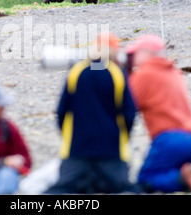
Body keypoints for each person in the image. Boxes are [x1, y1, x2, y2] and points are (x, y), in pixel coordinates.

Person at [44, 32, 137, 194]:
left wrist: (67, 137)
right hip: (111, 150)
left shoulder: (77, 71)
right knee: (123, 189)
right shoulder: (117, 73)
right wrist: (124, 137)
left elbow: (62, 111)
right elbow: (129, 113)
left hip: (78, 149)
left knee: (61, 189)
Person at [126, 34, 191, 194]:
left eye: (134, 54)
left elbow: (127, 105)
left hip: (170, 139)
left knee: (145, 180)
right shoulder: (173, 73)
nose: (131, 58)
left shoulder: (145, 74)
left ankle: (185, 177)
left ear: (146, 53)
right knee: (166, 172)